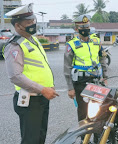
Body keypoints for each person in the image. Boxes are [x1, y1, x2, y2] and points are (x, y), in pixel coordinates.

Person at [3, 3, 59, 144]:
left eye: (33, 20)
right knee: (31, 140)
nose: (33, 24)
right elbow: (15, 76)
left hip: (41, 98)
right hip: (30, 101)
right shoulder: (14, 46)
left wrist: (48, 87)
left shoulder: (33, 41)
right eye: (28, 22)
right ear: (17, 26)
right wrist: (43, 89)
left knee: (40, 138)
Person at [63, 14, 107, 141]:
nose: (85, 29)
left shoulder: (96, 41)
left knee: (100, 110)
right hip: (81, 83)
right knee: (83, 113)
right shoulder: (71, 44)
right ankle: (84, 139)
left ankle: (98, 137)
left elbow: (102, 59)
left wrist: (105, 76)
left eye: (87, 26)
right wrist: (70, 87)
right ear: (76, 29)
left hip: (97, 82)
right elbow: (67, 68)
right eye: (82, 27)